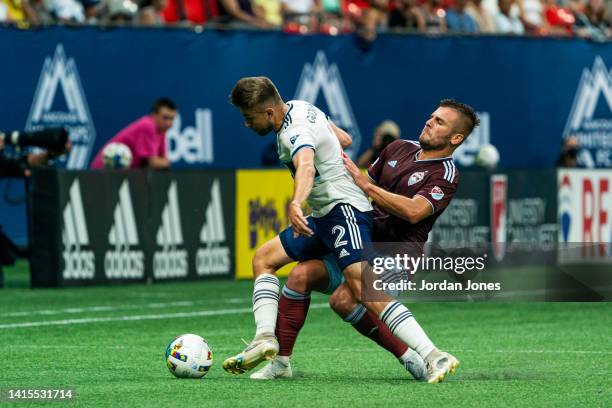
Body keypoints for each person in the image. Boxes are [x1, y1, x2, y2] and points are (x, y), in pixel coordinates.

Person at [251, 99, 480, 383]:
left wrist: (367, 186)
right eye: (432, 116)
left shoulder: (445, 174)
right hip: (365, 236)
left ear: (456, 138)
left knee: (345, 300)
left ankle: (416, 357)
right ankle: (280, 364)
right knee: (300, 275)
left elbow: (413, 211)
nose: (429, 122)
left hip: (397, 253)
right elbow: (356, 184)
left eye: (439, 122)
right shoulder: (398, 148)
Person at [222, 76, 374, 376]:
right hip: (324, 214)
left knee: (363, 292)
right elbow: (346, 139)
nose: (246, 124)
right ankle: (266, 340)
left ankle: (422, 353)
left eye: (247, 117)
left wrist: (295, 203)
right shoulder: (303, 107)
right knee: (264, 258)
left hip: (341, 211)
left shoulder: (294, 130)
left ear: (267, 113)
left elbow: (306, 165)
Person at [90, 98, 176, 169]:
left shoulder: (162, 131)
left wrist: (164, 162)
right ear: (154, 115)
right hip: (103, 171)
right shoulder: (147, 126)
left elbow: (163, 161)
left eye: (172, 118)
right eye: (165, 118)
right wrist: (164, 163)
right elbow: (153, 163)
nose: (168, 123)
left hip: (121, 174)